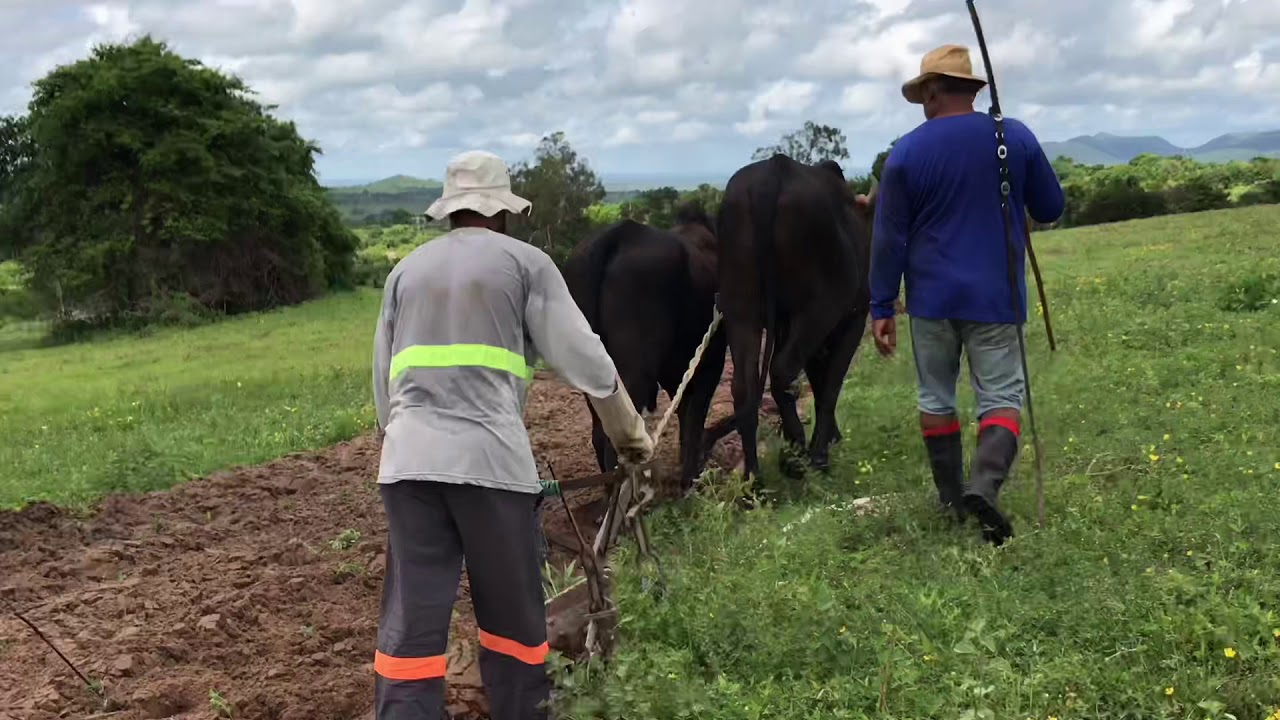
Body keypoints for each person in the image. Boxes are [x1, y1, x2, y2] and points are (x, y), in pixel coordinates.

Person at [370, 149, 655, 719]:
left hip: (407, 466)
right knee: (511, 624)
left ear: (449, 212)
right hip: (491, 466)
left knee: (411, 624)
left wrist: (401, 445)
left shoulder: (404, 272)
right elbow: (589, 363)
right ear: (502, 211)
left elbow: (384, 386)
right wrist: (631, 438)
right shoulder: (525, 265)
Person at [865, 44, 1064, 546]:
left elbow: (889, 239)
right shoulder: (1011, 136)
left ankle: (953, 499)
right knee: (1000, 395)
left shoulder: (905, 153)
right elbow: (1052, 205)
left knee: (935, 395)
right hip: (996, 297)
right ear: (971, 90)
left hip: (931, 301)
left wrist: (882, 306)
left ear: (932, 90)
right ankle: (985, 486)